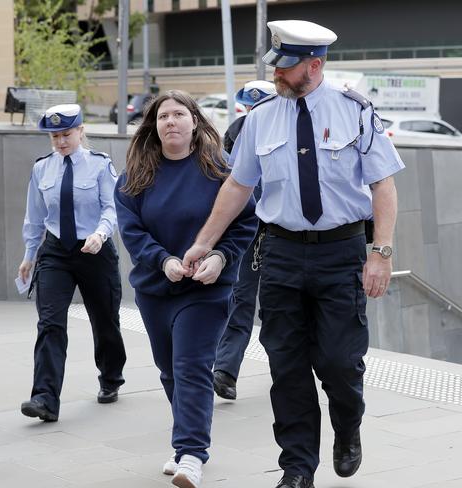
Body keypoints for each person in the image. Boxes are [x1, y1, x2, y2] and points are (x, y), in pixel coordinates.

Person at [183, 20, 405, 488]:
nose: (277, 75)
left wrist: (380, 253)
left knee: (340, 364)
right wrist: (204, 242)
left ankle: (347, 428)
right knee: (286, 366)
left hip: (341, 251)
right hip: (281, 252)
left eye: (285, 68)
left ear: (315, 65)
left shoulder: (356, 112)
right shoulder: (260, 118)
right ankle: (297, 468)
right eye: (276, 66)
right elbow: (239, 186)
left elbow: (383, 184)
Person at [114, 90, 257, 488]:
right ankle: (183, 446)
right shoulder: (135, 177)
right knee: (168, 371)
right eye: (163, 117)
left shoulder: (220, 171)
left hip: (206, 289)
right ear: (154, 127)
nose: (171, 122)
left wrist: (222, 257)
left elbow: (246, 221)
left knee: (191, 368)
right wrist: (164, 261)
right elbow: (132, 232)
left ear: (195, 121)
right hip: (156, 289)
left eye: (179, 114)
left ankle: (192, 455)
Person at [18, 103, 126, 422]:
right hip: (55, 253)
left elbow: (112, 207)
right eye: (55, 136)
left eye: (66, 134)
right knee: (50, 323)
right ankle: (45, 398)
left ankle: (110, 377)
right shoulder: (42, 169)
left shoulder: (99, 165)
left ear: (80, 131)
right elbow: (35, 218)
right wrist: (28, 256)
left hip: (95, 250)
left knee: (105, 319)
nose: (61, 141)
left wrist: (101, 234)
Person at [214, 80, 276, 400]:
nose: (253, 113)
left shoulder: (288, 131)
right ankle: (225, 371)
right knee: (240, 298)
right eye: (249, 107)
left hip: (281, 231)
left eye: (259, 106)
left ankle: (287, 368)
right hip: (247, 229)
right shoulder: (235, 135)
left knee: (278, 304)